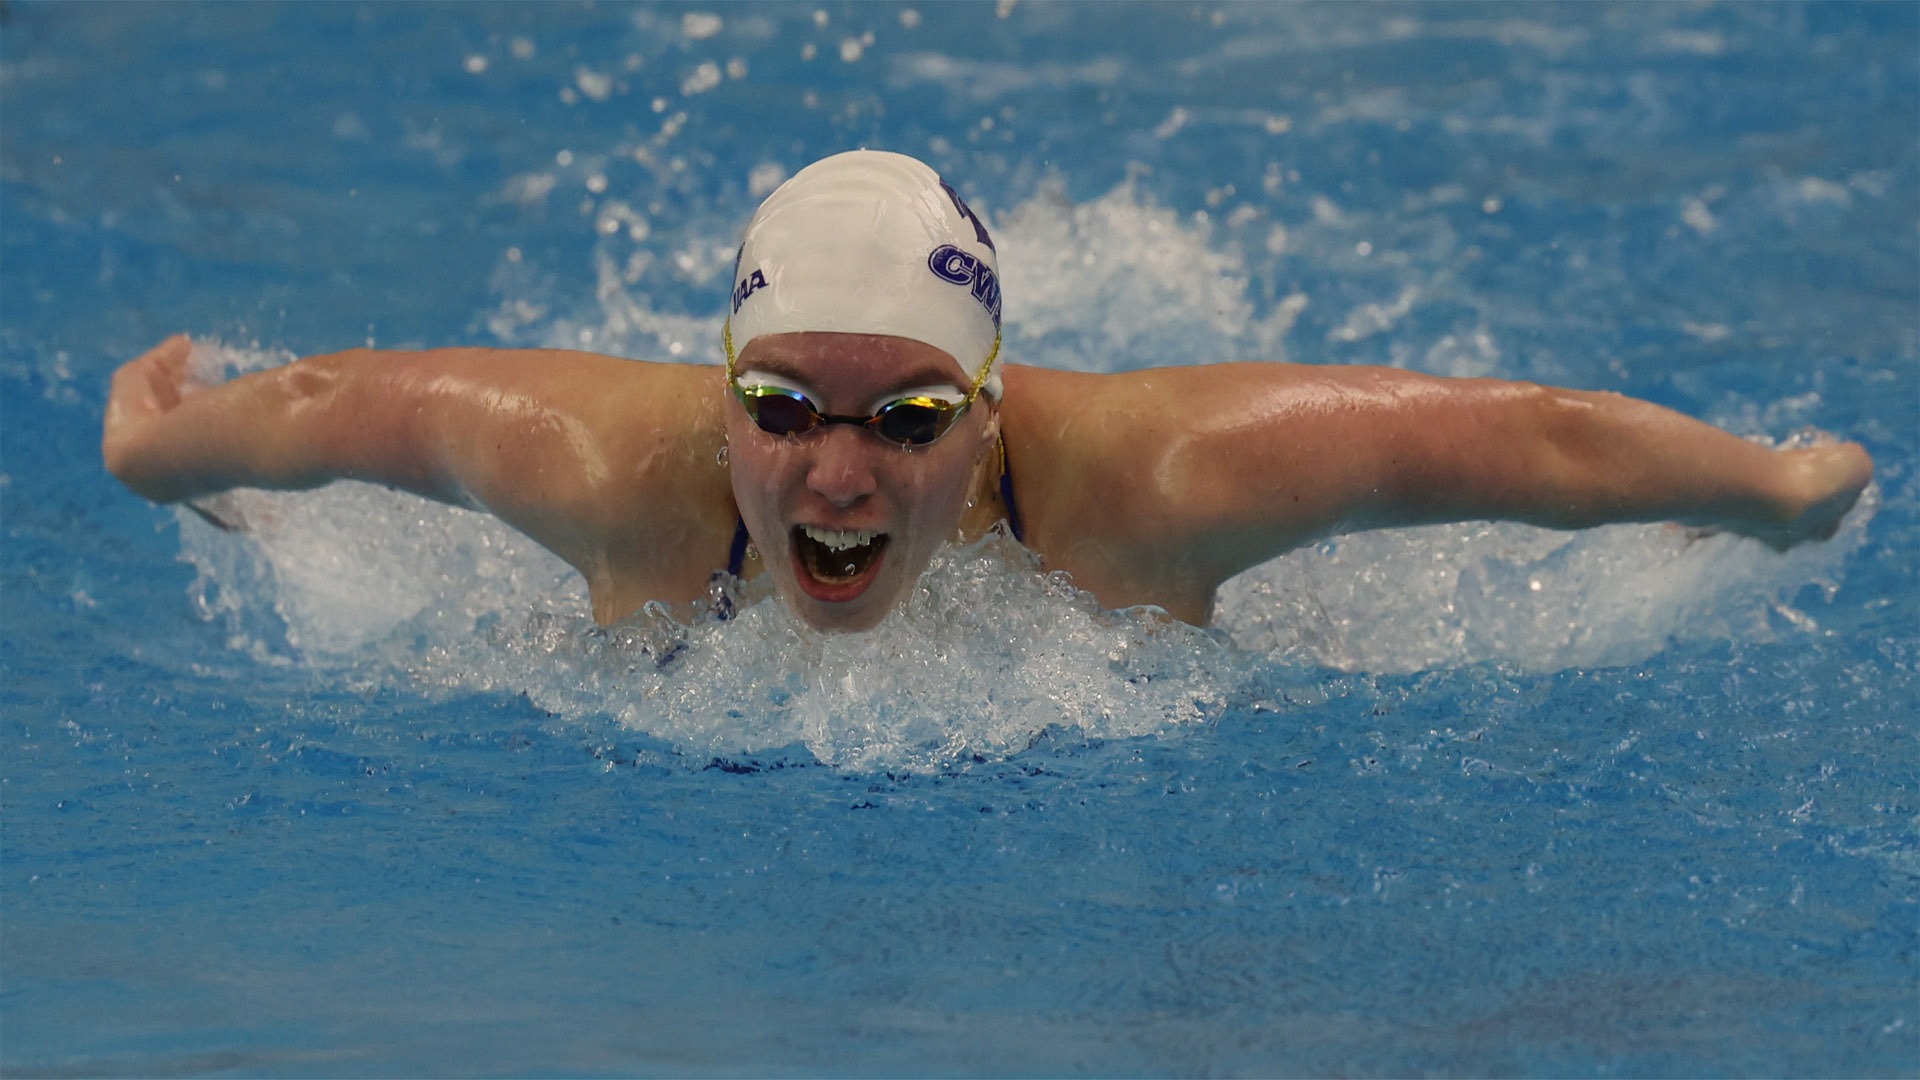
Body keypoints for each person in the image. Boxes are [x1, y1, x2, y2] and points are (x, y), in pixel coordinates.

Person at [103, 150, 1874, 632]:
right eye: (782, 407)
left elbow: (1506, 440)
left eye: (908, 418)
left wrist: (1770, 493)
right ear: (720, 391)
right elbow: (336, 407)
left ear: (994, 411)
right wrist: (160, 455)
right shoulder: (612, 473)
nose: (836, 474)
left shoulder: (1148, 487)